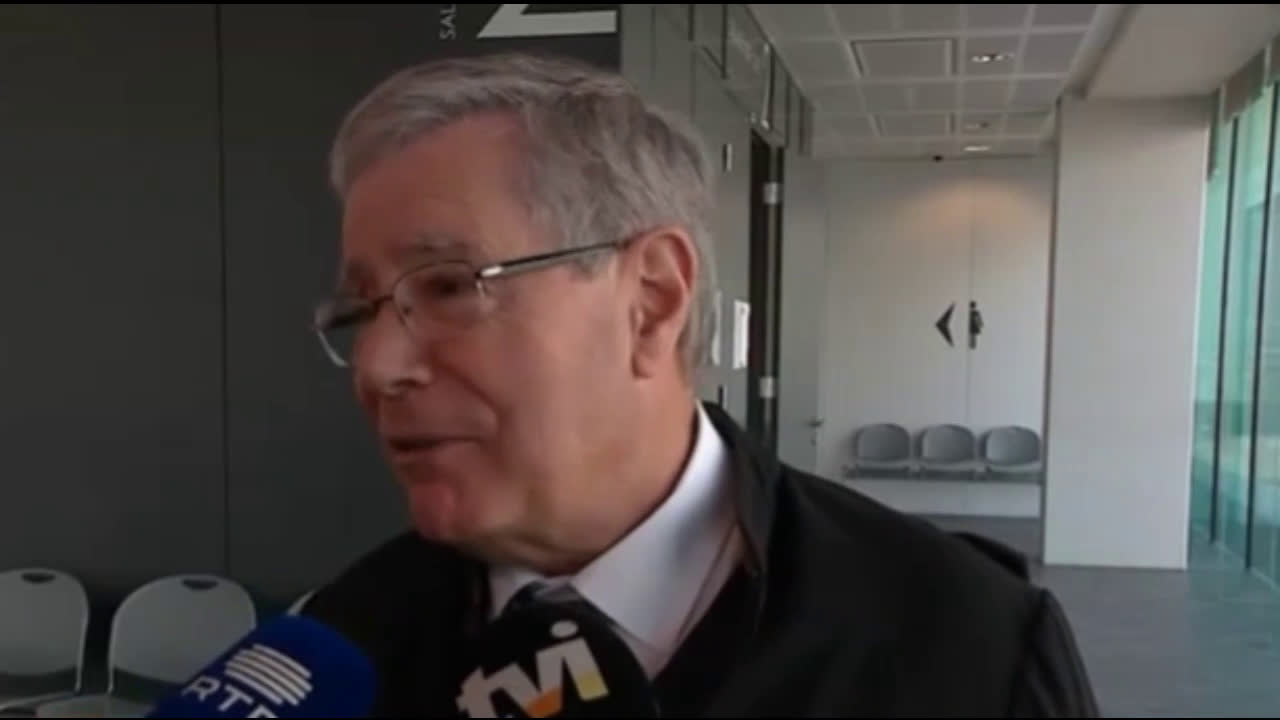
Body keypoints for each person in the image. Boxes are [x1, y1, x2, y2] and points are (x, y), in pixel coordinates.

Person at [302, 51, 1099, 717]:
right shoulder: (342, 653)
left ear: (651, 300)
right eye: (360, 313)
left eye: (448, 286)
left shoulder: (967, 646)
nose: (377, 366)